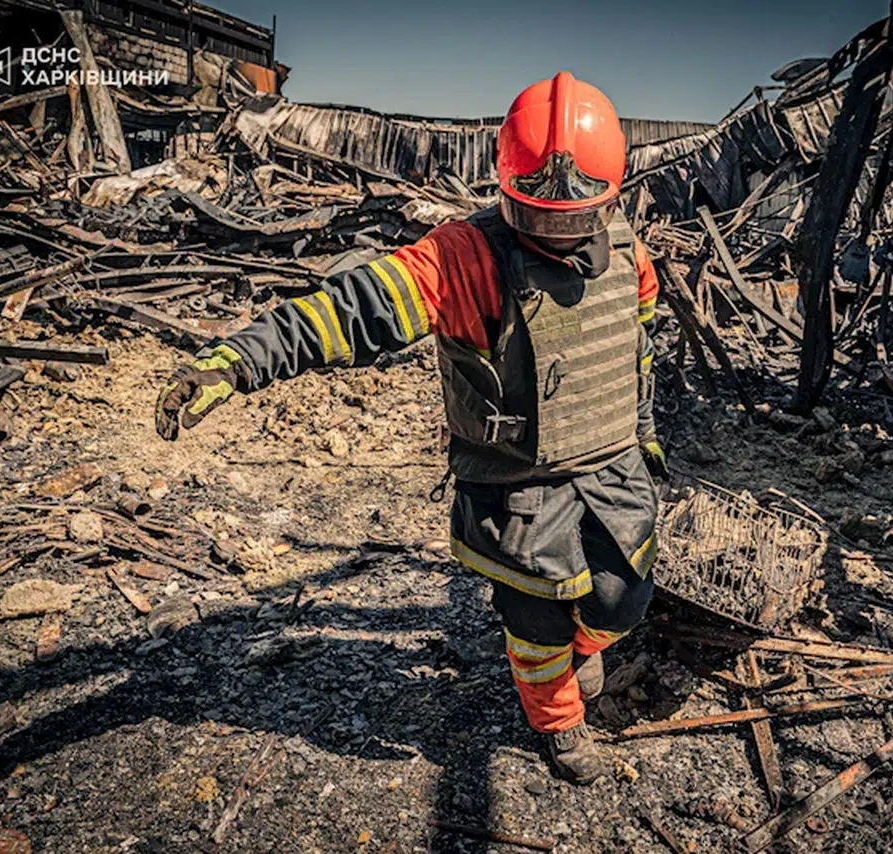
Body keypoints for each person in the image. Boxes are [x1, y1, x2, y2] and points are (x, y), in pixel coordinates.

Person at [154, 71, 667, 785]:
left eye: (571, 220)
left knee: (622, 597)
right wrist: (241, 359)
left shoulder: (631, 257)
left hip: (611, 464)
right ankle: (555, 719)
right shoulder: (463, 258)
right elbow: (349, 310)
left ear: (608, 199)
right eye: (538, 217)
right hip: (518, 482)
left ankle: (581, 652)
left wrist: (646, 436)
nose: (555, 235)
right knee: (536, 619)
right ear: (508, 193)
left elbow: (637, 351)